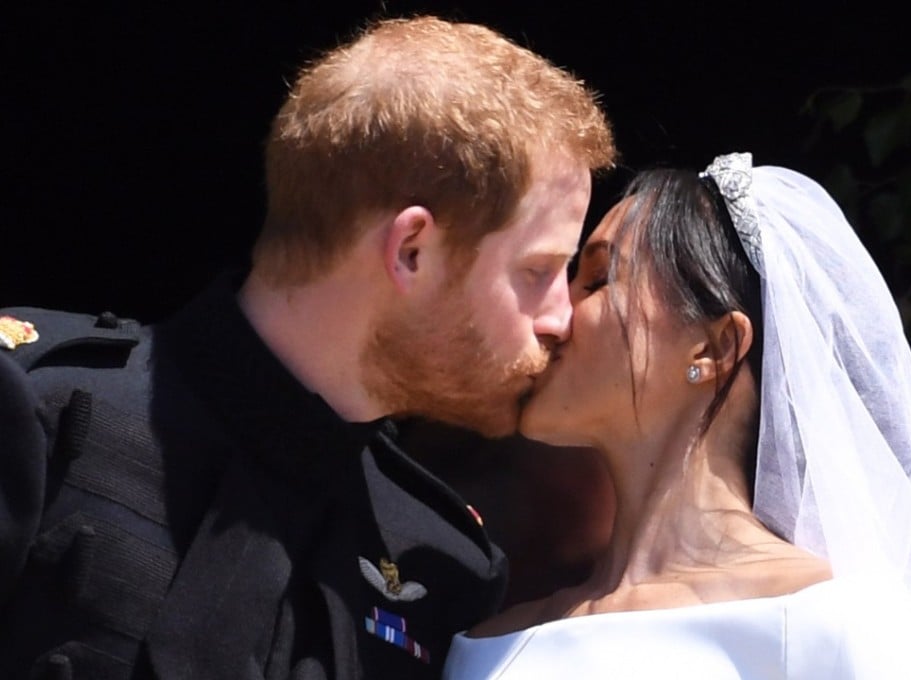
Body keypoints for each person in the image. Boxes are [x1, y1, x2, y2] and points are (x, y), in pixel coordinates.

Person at [0, 15, 615, 679]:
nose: (559, 316)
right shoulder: (40, 408)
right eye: (537, 271)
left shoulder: (443, 562)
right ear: (412, 251)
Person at [443, 153, 911, 679]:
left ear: (714, 348)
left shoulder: (828, 623)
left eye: (599, 278)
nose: (554, 316)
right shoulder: (486, 644)